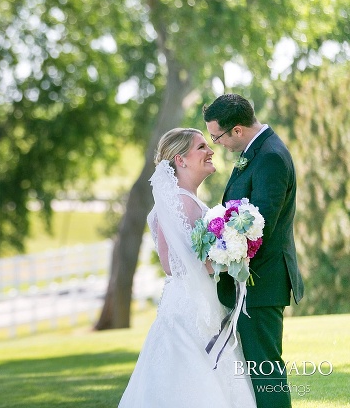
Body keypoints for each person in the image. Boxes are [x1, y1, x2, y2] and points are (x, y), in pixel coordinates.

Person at [119, 128, 255, 408]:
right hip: (191, 310)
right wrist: (227, 254)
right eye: (201, 147)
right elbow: (174, 265)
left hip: (190, 302)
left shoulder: (185, 201)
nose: (210, 151)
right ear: (180, 160)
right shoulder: (181, 202)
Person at [203, 94, 304, 408]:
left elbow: (260, 226)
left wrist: (218, 254)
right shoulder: (256, 152)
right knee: (257, 371)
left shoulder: (270, 156)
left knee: (266, 372)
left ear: (237, 130)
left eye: (217, 136)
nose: (216, 143)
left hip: (262, 282)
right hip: (251, 283)